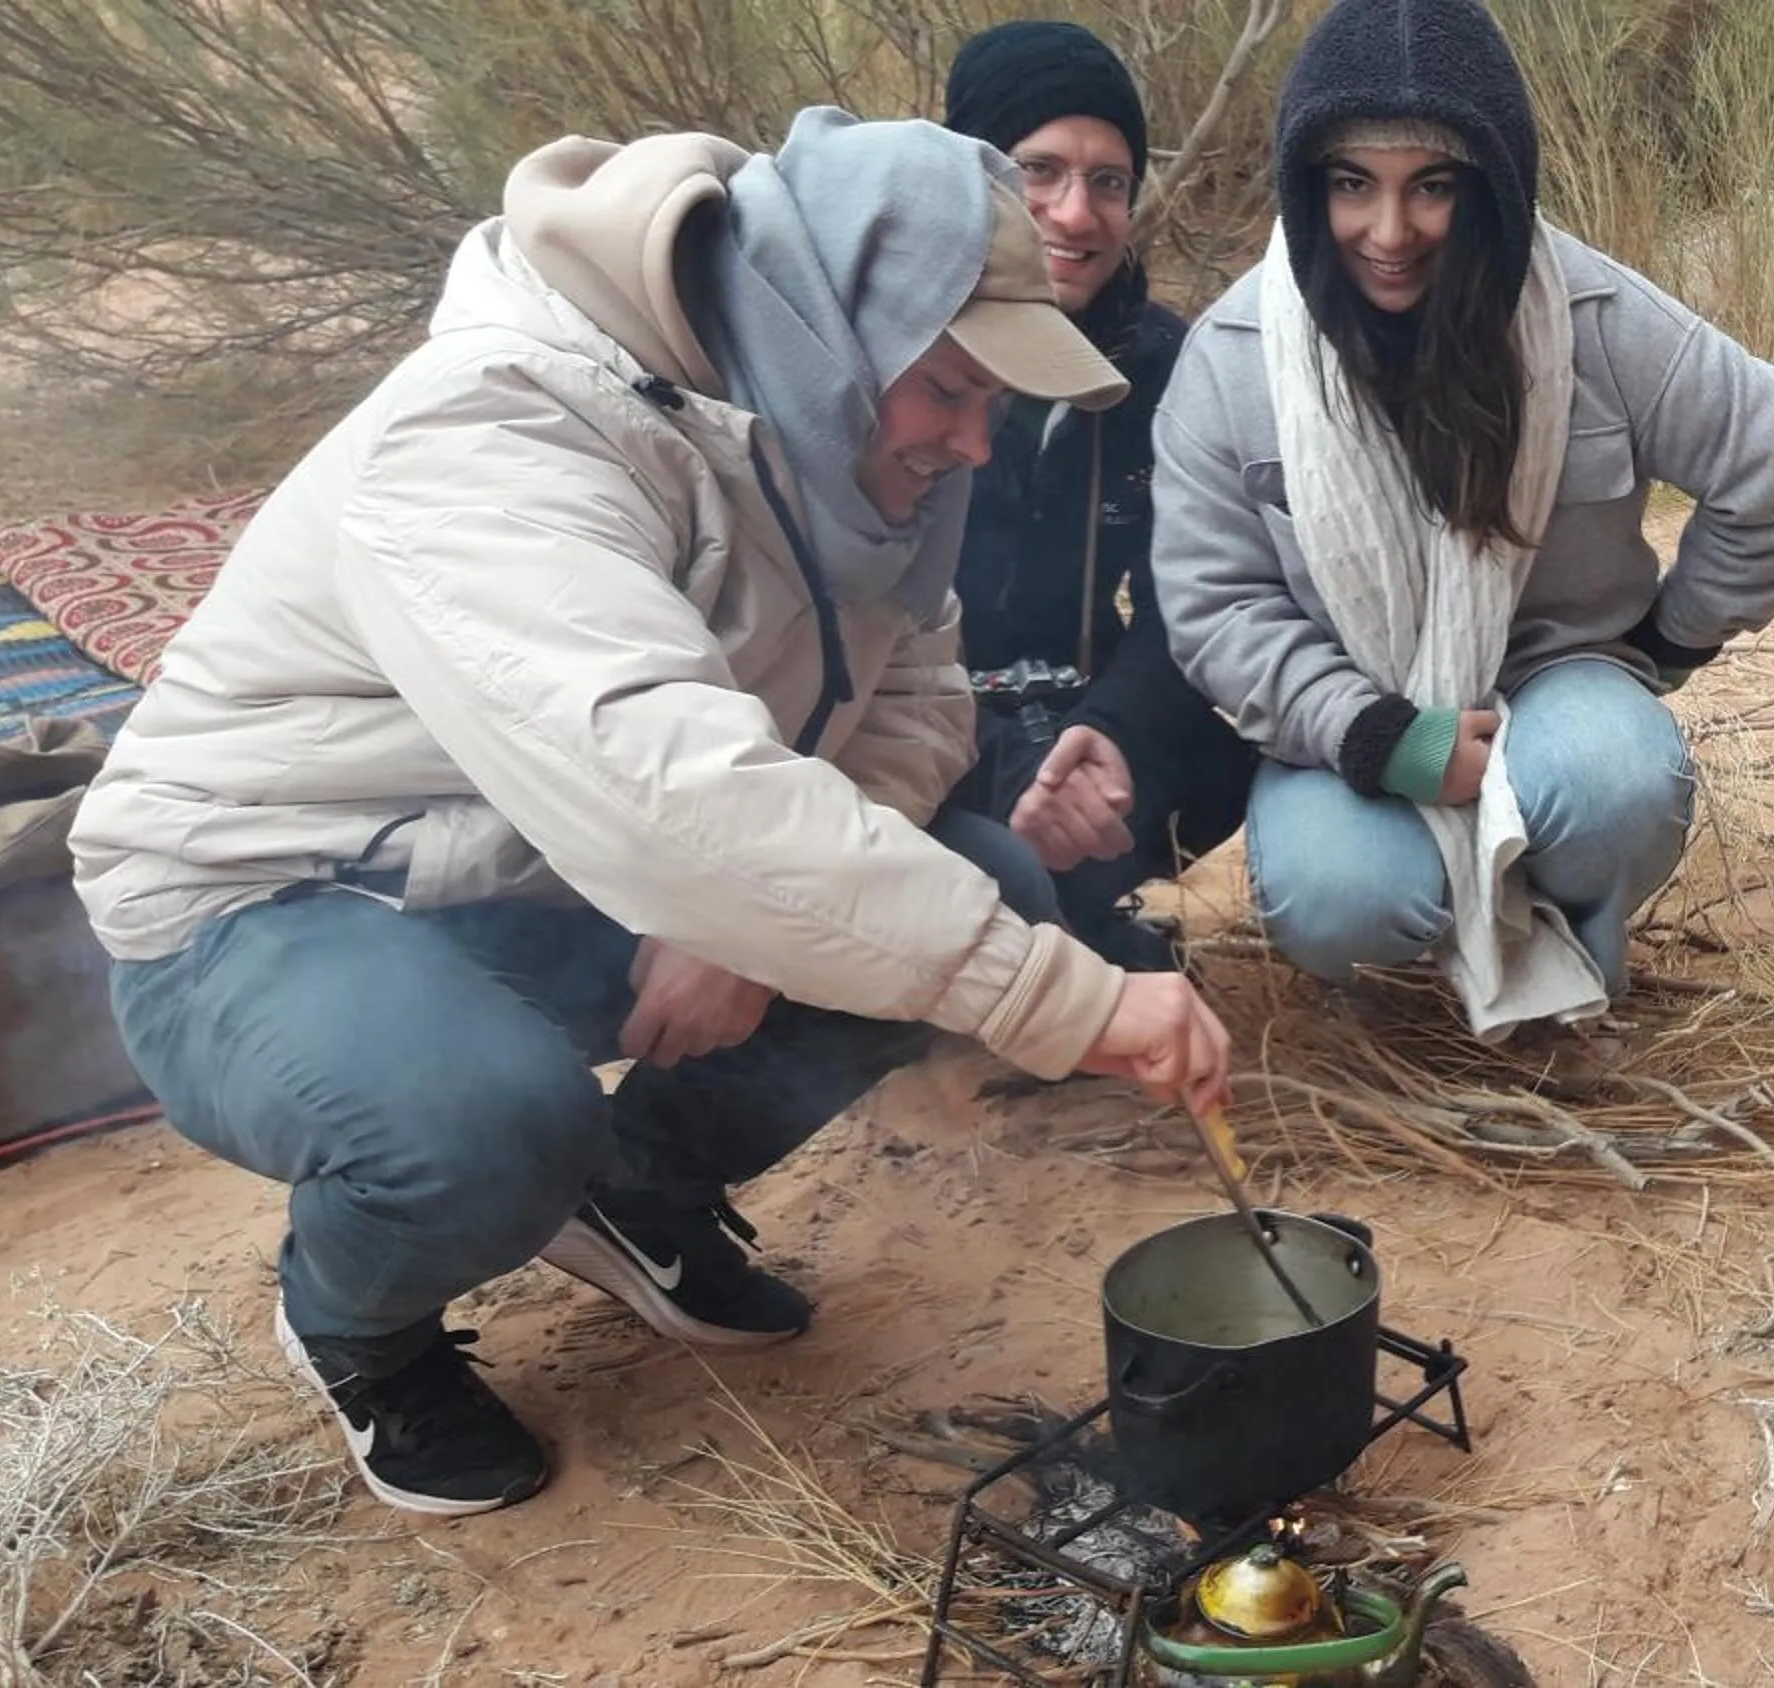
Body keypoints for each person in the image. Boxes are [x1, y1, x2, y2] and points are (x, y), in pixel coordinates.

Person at [69, 110, 1236, 1518]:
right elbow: (662, 785)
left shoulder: (849, 459)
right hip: (264, 903)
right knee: (487, 1121)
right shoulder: (498, 430)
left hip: (565, 867)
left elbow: (922, 703)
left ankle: (636, 1191)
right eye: (949, 391)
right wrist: (1057, 1000)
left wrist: (750, 922)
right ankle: (355, 1327)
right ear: (829, 340)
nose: (978, 444)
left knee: (966, 869)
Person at [1151, 0, 1774, 1038]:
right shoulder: (1231, 359)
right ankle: (1403, 1015)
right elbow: (1215, 607)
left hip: (1552, 682)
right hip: (1351, 718)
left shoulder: (1592, 314)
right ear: (1307, 188)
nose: (1389, 235)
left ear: (1494, 185)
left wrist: (1665, 641)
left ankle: (1571, 972)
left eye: (1432, 186)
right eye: (1352, 185)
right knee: (1335, 898)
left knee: (1614, 779)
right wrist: (1377, 734)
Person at [935, 21, 1256, 971]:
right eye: (1040, 171)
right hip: (917, 720)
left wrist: (1109, 732)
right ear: (975, 176)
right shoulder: (896, 346)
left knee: (1229, 764)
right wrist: (1001, 756)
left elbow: (1188, 603)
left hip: (1077, 696)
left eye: (1108, 181)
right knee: (996, 852)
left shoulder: (1162, 365)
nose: (1076, 214)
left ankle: (1061, 911)